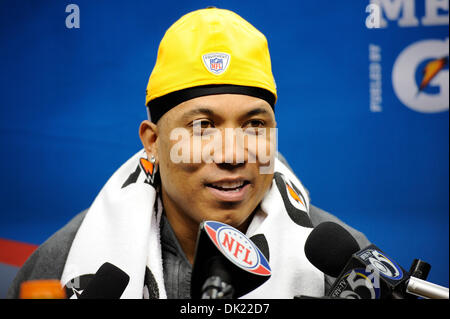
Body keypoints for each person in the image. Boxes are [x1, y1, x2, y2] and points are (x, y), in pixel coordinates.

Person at [7, 7, 369, 299]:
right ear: (152, 142)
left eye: (254, 125)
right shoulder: (63, 262)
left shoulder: (345, 267)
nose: (232, 154)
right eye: (202, 127)